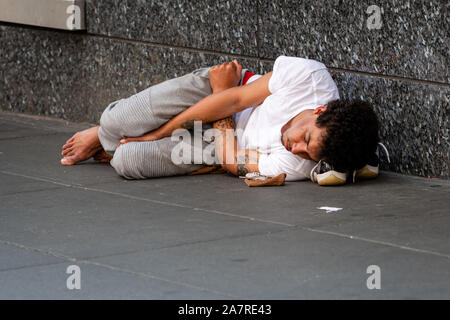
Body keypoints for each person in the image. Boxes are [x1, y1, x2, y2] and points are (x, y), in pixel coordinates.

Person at [61, 56, 381, 185]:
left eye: (306, 154)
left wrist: (147, 144)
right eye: (306, 139)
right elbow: (235, 99)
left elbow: (231, 161)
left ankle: (114, 143)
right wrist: (156, 134)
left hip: (222, 145)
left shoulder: (302, 163)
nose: (294, 147)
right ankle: (104, 134)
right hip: (223, 88)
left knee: (127, 162)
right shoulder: (309, 77)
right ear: (320, 111)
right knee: (116, 122)